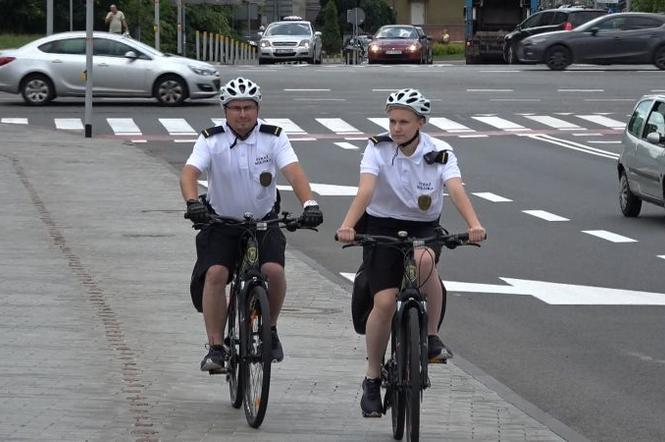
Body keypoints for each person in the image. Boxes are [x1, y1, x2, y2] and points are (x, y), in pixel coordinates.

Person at [336, 88, 486, 417]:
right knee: (385, 303)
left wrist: (474, 224)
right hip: (381, 227)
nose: (396, 128)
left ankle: (431, 338)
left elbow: (456, 188)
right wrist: (348, 225)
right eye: (392, 121)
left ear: (421, 122)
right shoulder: (377, 148)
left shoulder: (440, 150)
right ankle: (372, 378)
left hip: (423, 228)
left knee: (423, 260)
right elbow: (366, 189)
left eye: (404, 121)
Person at [180, 77, 323, 373]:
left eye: (248, 107)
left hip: (263, 221)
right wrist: (193, 202)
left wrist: (309, 203)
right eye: (235, 108)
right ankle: (216, 347)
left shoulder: (274, 137)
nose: (242, 114)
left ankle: (269, 329)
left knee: (274, 271)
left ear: (257, 109)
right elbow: (189, 173)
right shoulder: (210, 138)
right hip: (221, 221)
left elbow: (293, 172)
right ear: (225, 110)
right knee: (217, 273)